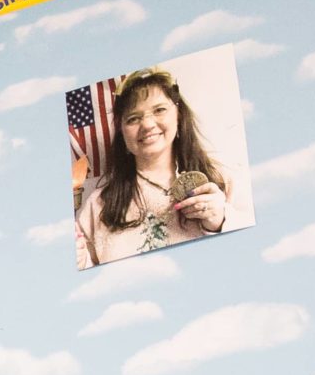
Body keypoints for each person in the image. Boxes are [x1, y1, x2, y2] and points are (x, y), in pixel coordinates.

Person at [73, 66, 235, 266]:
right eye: (133, 118)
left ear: (179, 116)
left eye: (159, 110)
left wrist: (219, 223)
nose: (148, 124)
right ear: (122, 134)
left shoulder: (220, 180)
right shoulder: (97, 206)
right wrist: (80, 261)